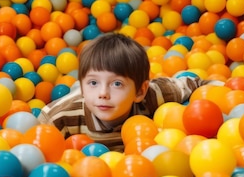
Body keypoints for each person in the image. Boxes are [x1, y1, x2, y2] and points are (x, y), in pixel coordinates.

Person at [37, 32, 216, 152]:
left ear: (140, 91)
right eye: (93, 82)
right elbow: (40, 145)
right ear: (82, 86)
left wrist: (224, 89)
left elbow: (196, 84)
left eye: (116, 83)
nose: (103, 93)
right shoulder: (61, 117)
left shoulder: (154, 95)